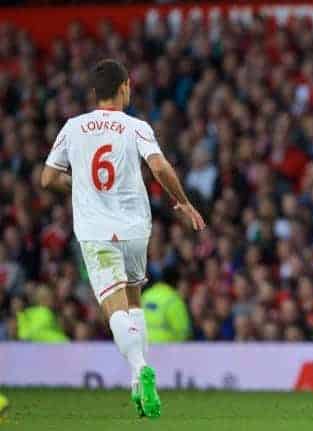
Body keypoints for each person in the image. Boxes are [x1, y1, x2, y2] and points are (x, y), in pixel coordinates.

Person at [41, 59, 206, 418]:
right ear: (125, 87)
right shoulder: (136, 127)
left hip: (96, 231)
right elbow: (160, 167)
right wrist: (184, 202)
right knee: (133, 299)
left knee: (114, 306)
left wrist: (78, 185)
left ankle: (140, 368)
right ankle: (137, 385)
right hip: (134, 229)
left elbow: (47, 179)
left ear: (93, 93)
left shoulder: (74, 127)